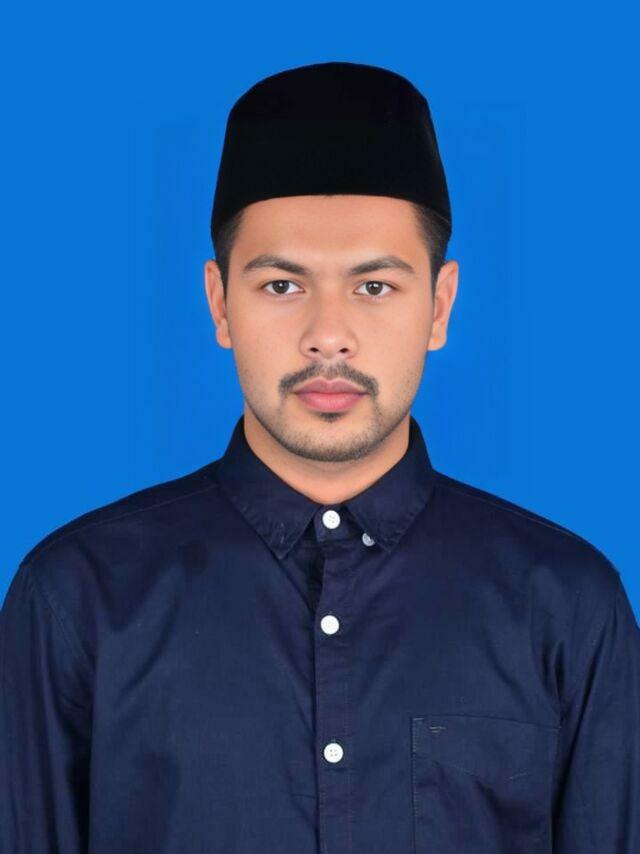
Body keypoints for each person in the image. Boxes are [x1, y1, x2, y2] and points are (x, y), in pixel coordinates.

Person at [1, 61, 638, 854]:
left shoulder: (568, 606)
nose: (328, 336)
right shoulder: (77, 599)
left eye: (374, 287)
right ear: (219, 303)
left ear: (439, 306)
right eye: (281, 285)